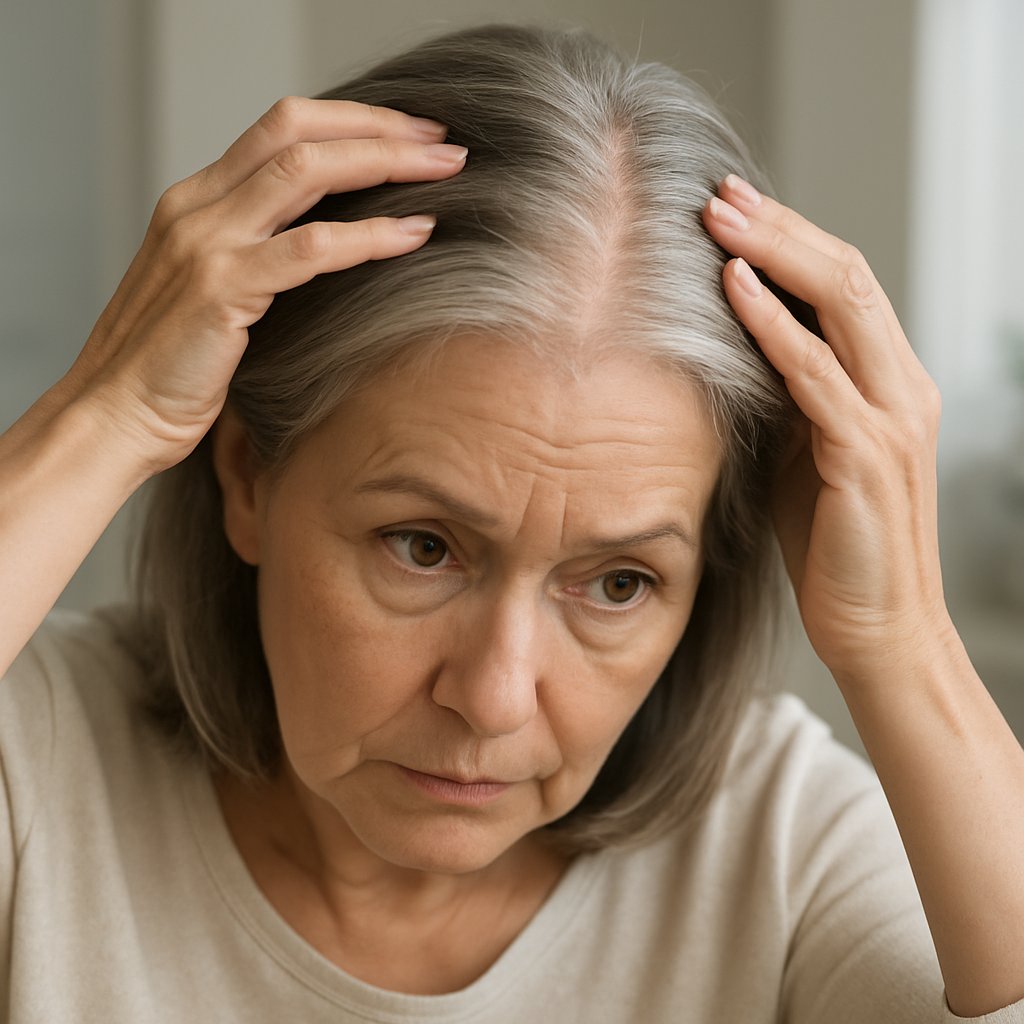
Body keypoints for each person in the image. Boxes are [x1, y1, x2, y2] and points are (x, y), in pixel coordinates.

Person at [0, 22, 1022, 1023]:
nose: (492, 699)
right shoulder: (41, 764)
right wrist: (105, 416)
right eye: (424, 547)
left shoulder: (781, 849)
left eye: (618, 581)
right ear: (247, 478)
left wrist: (905, 643)